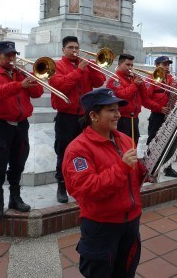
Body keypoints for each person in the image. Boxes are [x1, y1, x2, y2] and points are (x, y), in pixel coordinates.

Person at [62, 88, 147, 278]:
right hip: (102, 227)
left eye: (117, 109)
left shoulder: (125, 140)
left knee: (126, 273)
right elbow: (86, 189)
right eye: (111, 110)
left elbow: (132, 177)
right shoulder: (78, 149)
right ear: (93, 115)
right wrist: (122, 167)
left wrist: (145, 171)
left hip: (131, 222)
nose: (118, 115)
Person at [0, 41, 44, 221]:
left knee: (18, 163)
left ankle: (15, 198)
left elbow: (38, 93)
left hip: (21, 124)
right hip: (1, 125)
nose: (11, 58)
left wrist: (31, 77)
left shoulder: (20, 73)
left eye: (13, 54)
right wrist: (19, 85)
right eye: (7, 55)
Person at [49, 36, 106, 203]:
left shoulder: (85, 65)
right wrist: (79, 70)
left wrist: (93, 67)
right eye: (70, 48)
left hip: (85, 116)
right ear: (63, 50)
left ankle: (83, 184)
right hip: (66, 116)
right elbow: (61, 85)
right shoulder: (56, 66)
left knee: (86, 151)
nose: (74, 51)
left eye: (76, 48)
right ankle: (61, 184)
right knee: (64, 151)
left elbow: (100, 81)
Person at [144, 56, 177, 177]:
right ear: (157, 65)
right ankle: (148, 168)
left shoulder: (171, 79)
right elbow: (145, 100)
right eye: (164, 64)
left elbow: (175, 96)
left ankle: (167, 167)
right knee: (153, 141)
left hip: (169, 115)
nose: (166, 66)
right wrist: (160, 108)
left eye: (168, 64)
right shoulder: (151, 78)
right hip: (157, 115)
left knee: (169, 140)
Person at [106, 53, 147, 145]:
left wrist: (141, 84)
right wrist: (135, 84)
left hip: (134, 117)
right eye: (127, 64)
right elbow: (121, 96)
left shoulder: (133, 79)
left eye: (132, 65)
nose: (130, 67)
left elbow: (145, 96)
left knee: (134, 144)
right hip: (122, 118)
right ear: (120, 64)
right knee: (122, 144)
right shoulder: (115, 79)